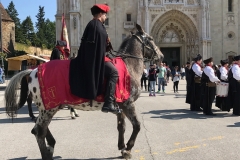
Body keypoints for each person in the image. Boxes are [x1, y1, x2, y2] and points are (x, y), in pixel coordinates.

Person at [69, 4, 119, 113]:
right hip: (95, 60)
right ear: (101, 14)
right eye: (105, 15)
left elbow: (98, 46)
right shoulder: (97, 26)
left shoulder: (94, 25)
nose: (106, 17)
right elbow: (96, 48)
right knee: (114, 72)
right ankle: (108, 102)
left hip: (97, 57)